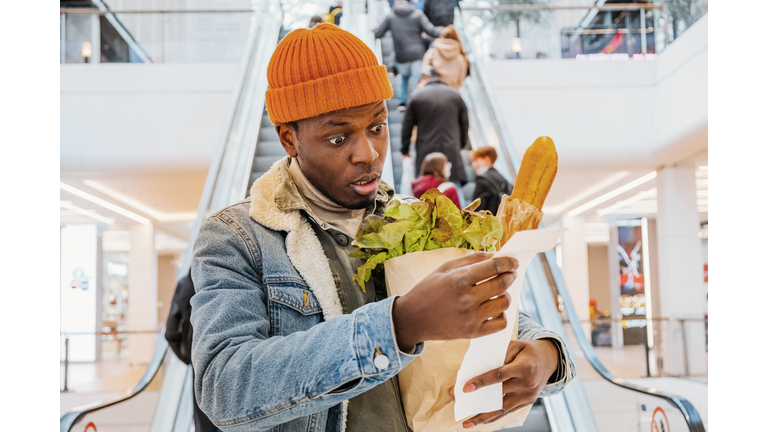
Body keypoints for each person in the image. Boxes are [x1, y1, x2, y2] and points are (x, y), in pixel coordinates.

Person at [190, 23, 575, 432]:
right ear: (289, 139)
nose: (369, 153)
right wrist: (400, 324)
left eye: (377, 126)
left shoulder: (417, 216)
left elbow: (491, 303)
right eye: (339, 139)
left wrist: (546, 355)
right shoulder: (236, 238)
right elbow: (224, 387)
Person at [402, 68, 469, 203]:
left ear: (424, 80)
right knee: (453, 187)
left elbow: (407, 125)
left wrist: (405, 149)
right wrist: (460, 144)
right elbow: (465, 123)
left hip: (426, 154)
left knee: (426, 197)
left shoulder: (417, 96)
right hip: (451, 151)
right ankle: (462, 221)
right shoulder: (455, 95)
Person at [164, 270, 218, 432]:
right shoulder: (227, 277)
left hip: (198, 360)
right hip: (231, 357)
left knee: (203, 421)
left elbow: (171, 332)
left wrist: (188, 358)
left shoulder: (186, 282)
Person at [374, 0, 442, 111]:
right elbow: (431, 30)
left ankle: (402, 103)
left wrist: (374, 30)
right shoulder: (417, 14)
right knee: (417, 79)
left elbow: (379, 33)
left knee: (403, 77)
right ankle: (417, 105)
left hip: (401, 55)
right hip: (417, 54)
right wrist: (446, 32)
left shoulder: (391, 16)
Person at [469, 146, 514, 214]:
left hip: (489, 222)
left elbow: (475, 209)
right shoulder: (502, 178)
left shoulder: (482, 180)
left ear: (487, 159)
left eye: (476, 160)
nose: (473, 164)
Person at [422, 24, 468, 90]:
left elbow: (425, 72)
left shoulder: (431, 53)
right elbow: (460, 82)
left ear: (442, 37)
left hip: (433, 91)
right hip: (451, 94)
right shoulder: (461, 59)